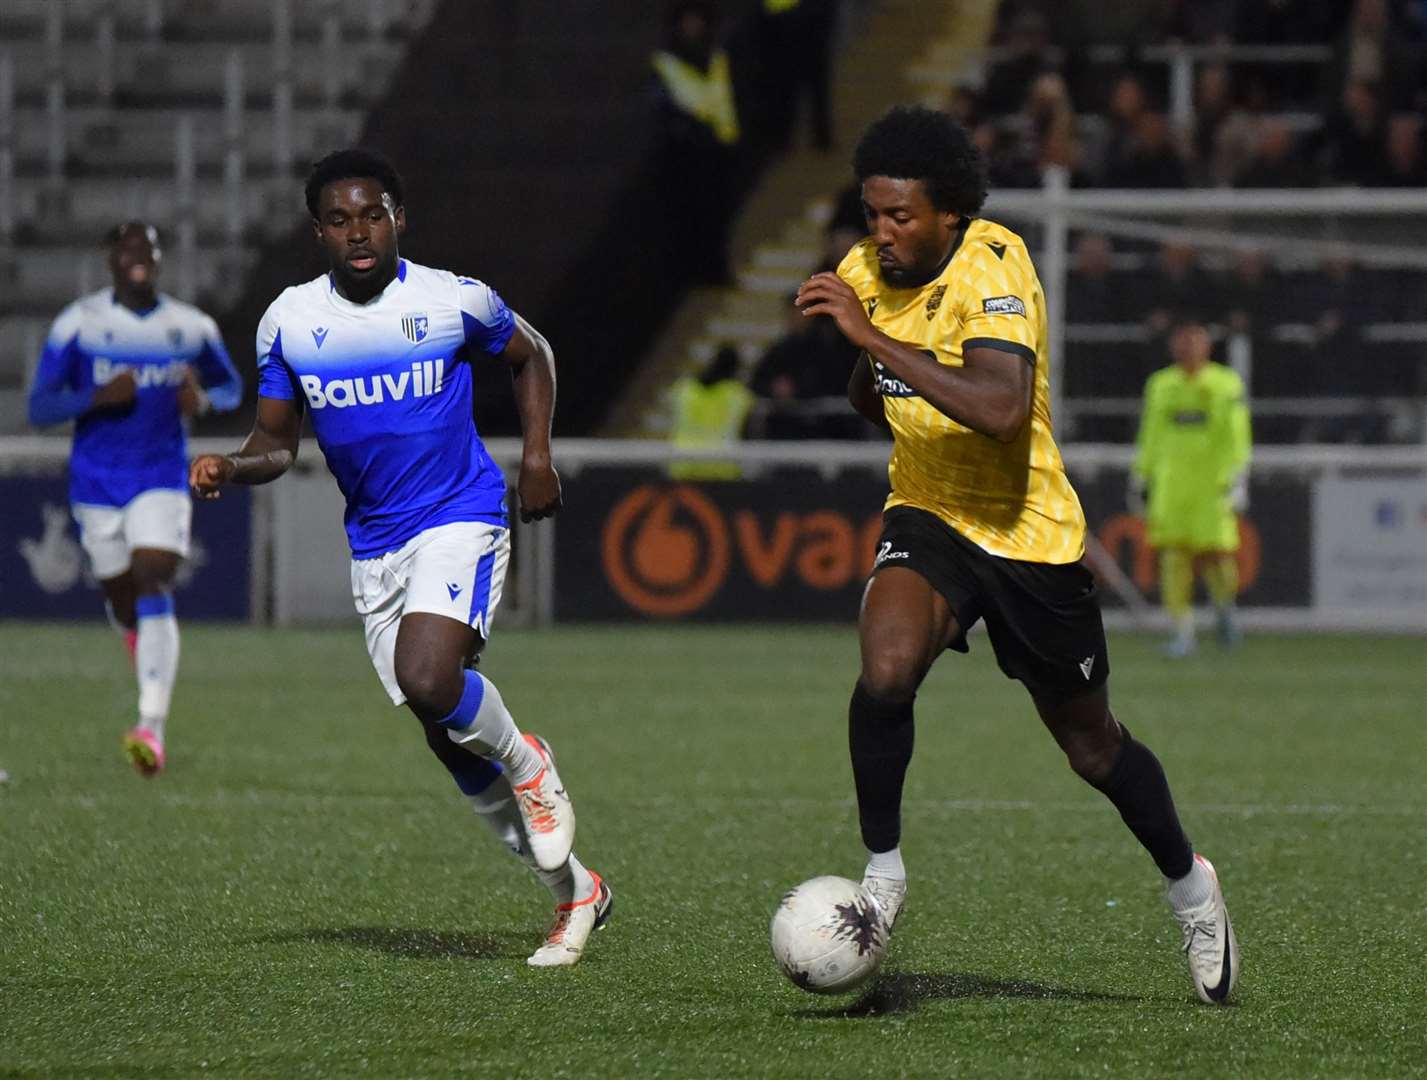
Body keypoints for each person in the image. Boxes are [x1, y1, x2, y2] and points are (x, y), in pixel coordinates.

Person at [794, 106, 1238, 1005]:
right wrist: (869, 359)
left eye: (898, 217)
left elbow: (1000, 411)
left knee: (1090, 746)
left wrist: (873, 338)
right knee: (884, 674)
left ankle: (1192, 887)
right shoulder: (864, 271)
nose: (878, 233)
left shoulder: (994, 264)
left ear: (949, 213)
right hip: (929, 511)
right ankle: (882, 874)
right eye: (870, 213)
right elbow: (867, 391)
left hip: (1027, 532)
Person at [188, 149, 610, 967]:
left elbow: (532, 355)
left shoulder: (453, 299)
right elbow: (275, 443)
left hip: (460, 514)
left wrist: (534, 456)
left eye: (372, 214)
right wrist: (230, 468)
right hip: (375, 546)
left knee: (428, 676)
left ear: (398, 219)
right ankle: (576, 896)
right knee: (444, 731)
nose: (358, 231)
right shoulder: (290, 321)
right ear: (318, 231)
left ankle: (531, 762)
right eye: (340, 219)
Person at [26, 221, 242, 776]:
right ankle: (139, 643)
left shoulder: (189, 326)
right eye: (126, 250)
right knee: (124, 599)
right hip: (96, 484)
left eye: (146, 248)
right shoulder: (80, 324)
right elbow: (41, 407)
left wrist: (203, 399)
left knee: (155, 575)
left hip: (161, 477)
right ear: (110, 261)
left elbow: (231, 386)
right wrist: (96, 396)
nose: (137, 258)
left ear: (159, 258)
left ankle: (151, 725)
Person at [1131, 318, 1252, 658]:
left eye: (1194, 341)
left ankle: (1225, 609)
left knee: (1215, 554)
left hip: (1212, 484)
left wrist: (1238, 476)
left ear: (1207, 346)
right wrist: (1141, 474)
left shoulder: (1226, 383)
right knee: (1173, 556)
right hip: (1171, 484)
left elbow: (1236, 433)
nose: (1188, 348)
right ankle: (1183, 632)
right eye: (1182, 341)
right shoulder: (1161, 384)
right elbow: (1151, 431)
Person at [669, 344, 754, 479]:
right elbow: (747, 434)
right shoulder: (739, 395)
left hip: (683, 464)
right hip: (721, 467)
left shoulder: (683, 389)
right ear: (737, 369)